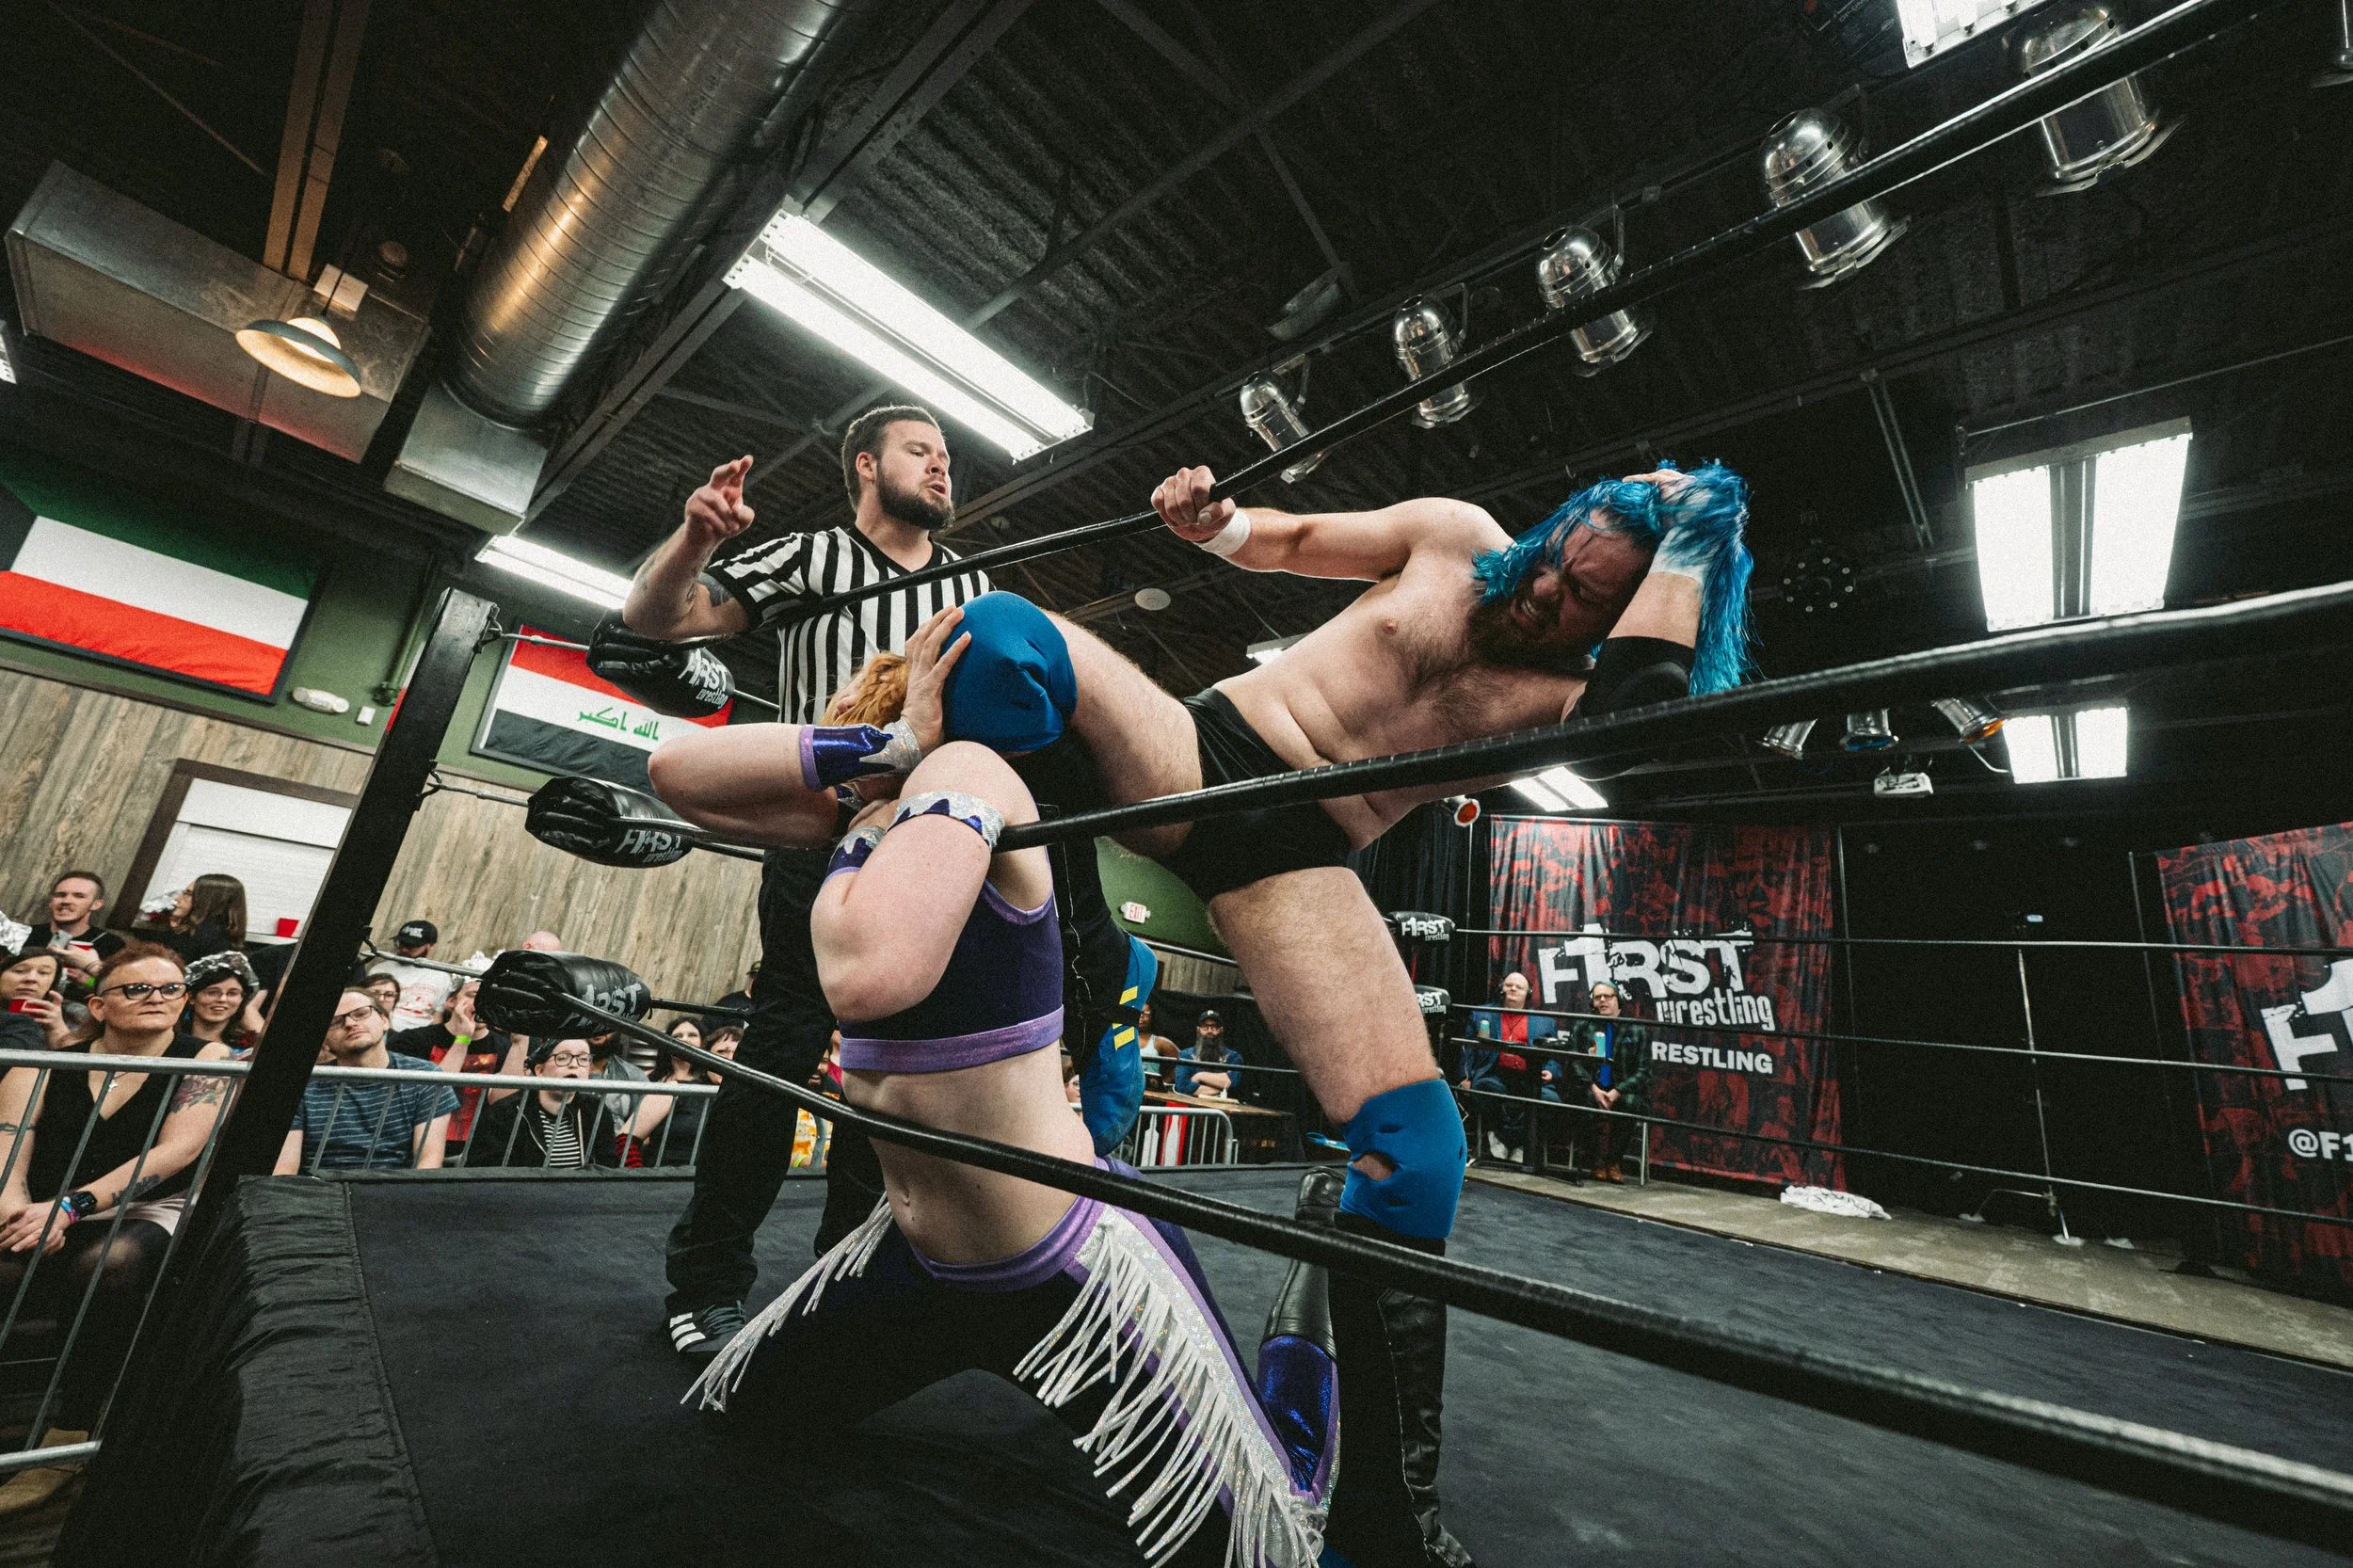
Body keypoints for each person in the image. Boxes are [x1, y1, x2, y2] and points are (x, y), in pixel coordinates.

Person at [1014, 458, 1751, 1564]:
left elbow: (1643, 715)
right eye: (1556, 557)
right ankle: (1084, 950)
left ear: (1626, 614)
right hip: (1207, 750)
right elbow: (1291, 539)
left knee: (1417, 1152)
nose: (1545, 588)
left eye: (1584, 594)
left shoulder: (1568, 696)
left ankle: (1383, 1513)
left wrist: (1701, 525)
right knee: (1007, 639)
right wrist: (1217, 525)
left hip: (1299, 854)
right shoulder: (1454, 533)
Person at [687, 739, 1335, 1567]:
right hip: (912, 1259)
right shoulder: (885, 810)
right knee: (744, 1412)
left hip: (1064, 1270)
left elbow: (862, 978)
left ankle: (1317, 1291)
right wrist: (860, 758)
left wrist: (858, 829)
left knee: (1274, 1544)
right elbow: (681, 778)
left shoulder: (973, 774)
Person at [615, 406, 1012, 1357]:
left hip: (927, 846)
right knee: (783, 1044)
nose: (943, 468)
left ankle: (846, 1281)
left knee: (892, 1071)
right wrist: (696, 537)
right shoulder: (813, 557)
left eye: (947, 457)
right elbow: (657, 619)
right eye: (921, 451)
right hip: (822, 828)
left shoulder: (976, 586)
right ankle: (706, 1283)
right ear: (867, 465)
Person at [0, 944, 234, 1512]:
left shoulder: (207, 1057)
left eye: (171, 988)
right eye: (137, 988)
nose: (158, 997)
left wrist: (71, 1208)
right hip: (43, 1203)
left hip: (143, 1208)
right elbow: (10, 1142)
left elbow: (177, 1151)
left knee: (112, 1263)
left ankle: (72, 1431)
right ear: (99, 1006)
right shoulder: (44, 1063)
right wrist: (15, 1207)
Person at [274, 989, 457, 1173]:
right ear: (324, 1040)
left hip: (396, 1186)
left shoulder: (425, 1076)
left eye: (361, 1014)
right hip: (319, 1187)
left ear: (385, 1021)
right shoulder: (303, 1085)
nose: (350, 1023)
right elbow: (284, 1170)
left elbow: (428, 1162)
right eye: (335, 1021)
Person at [463, 1040, 619, 1169]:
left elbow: (606, 1167)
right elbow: (486, 1170)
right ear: (539, 1070)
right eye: (562, 1058)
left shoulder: (596, 1110)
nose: (574, 1065)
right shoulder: (505, 1113)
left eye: (583, 1059)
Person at [1463, 972, 1556, 1164]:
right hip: (1495, 1075)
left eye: (1519, 987)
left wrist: (1551, 1071)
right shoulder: (1482, 1014)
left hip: (1530, 1078)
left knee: (1551, 1100)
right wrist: (1466, 1077)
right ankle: (1509, 1138)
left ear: (1528, 993)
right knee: (1484, 1088)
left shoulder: (1544, 1021)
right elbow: (1468, 1049)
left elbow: (1554, 1055)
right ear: (1501, 988)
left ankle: (1513, 1140)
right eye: (1508, 985)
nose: (1513, 989)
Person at [1569, 982, 1652, 1183]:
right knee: (1583, 1100)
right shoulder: (1583, 1025)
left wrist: (1617, 1091)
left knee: (1630, 1104)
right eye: (1598, 997)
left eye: (1608, 996)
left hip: (1622, 1090)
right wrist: (1593, 1088)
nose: (1602, 1000)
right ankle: (1595, 1161)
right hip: (1592, 1087)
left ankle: (1614, 1161)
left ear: (1618, 1000)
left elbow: (1644, 1072)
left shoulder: (1636, 1029)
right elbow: (1573, 1061)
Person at [21, 872, 124, 988]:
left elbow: (119, 990)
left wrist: (88, 980)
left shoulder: (110, 943)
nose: (66, 901)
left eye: (79, 896)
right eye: (60, 895)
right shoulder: (25, 934)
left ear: (96, 904)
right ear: (51, 901)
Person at [367, 920, 456, 1032]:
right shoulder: (380, 970)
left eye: (412, 946)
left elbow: (437, 1016)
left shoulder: (441, 977)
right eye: (401, 944)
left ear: (430, 946)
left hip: (419, 1033)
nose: (404, 949)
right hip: (384, 1028)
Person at [181, 951, 262, 1052]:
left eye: (232, 993)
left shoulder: (250, 1050)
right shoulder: (167, 1041)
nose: (222, 999)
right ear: (191, 997)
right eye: (212, 992)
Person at [154, 874, 248, 964]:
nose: (177, 898)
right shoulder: (225, 936)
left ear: (208, 901)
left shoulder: (198, 936)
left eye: (188, 894)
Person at [0, 948, 74, 1053]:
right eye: (20, 971)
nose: (31, 978)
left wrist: (57, 1030)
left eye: (43, 973)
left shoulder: (76, 1015)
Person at [1175, 1010, 1244, 1098]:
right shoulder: (1186, 1055)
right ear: (1198, 1030)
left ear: (1221, 1030)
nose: (1210, 1031)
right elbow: (1182, 1087)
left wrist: (1200, 1076)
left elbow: (1233, 1083)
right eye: (1205, 1026)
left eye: (1214, 1027)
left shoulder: (1233, 1057)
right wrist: (1221, 1087)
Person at [1135, 1000, 1176, 1090]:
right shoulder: (1124, 1037)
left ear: (1152, 1016)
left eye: (1145, 1013)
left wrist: (1164, 1083)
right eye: (1138, 1012)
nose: (1141, 1016)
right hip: (1126, 1089)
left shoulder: (1159, 1042)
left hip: (1149, 1091)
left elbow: (1182, 1062)